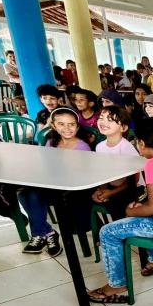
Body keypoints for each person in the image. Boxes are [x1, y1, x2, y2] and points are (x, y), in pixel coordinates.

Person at [87, 118, 153, 304]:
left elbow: (152, 208)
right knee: (140, 214)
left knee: (108, 231)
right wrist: (141, 208)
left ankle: (117, 284)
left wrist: (130, 211)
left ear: (141, 143)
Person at [18, 107, 93, 256]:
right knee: (23, 194)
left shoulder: (82, 147)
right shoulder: (52, 142)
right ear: (53, 125)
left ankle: (42, 234)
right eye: (61, 124)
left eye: (71, 124)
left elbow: (79, 174)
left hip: (71, 189)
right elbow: (48, 164)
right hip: (54, 183)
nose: (67, 128)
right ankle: (47, 232)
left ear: (77, 126)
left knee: (34, 195)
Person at [91, 106, 141, 221]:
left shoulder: (126, 148)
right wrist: (102, 190)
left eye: (110, 120)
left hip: (132, 187)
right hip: (113, 185)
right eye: (101, 118)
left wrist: (110, 193)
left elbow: (135, 180)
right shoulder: (100, 146)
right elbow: (103, 172)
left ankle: (121, 234)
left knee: (117, 205)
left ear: (123, 127)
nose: (103, 122)